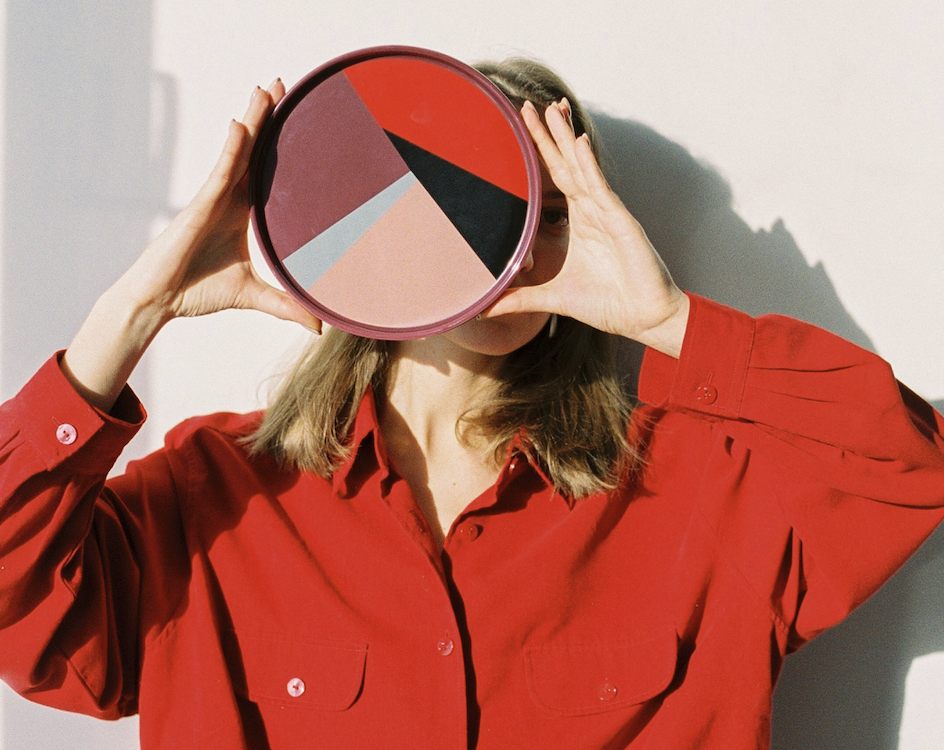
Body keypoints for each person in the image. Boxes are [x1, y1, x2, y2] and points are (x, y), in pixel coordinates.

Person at [1, 58, 942, 750]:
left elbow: (909, 467)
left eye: (546, 212)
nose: (504, 249)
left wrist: (670, 321)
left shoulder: (699, 493)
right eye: (464, 199)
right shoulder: (213, 502)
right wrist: (134, 313)